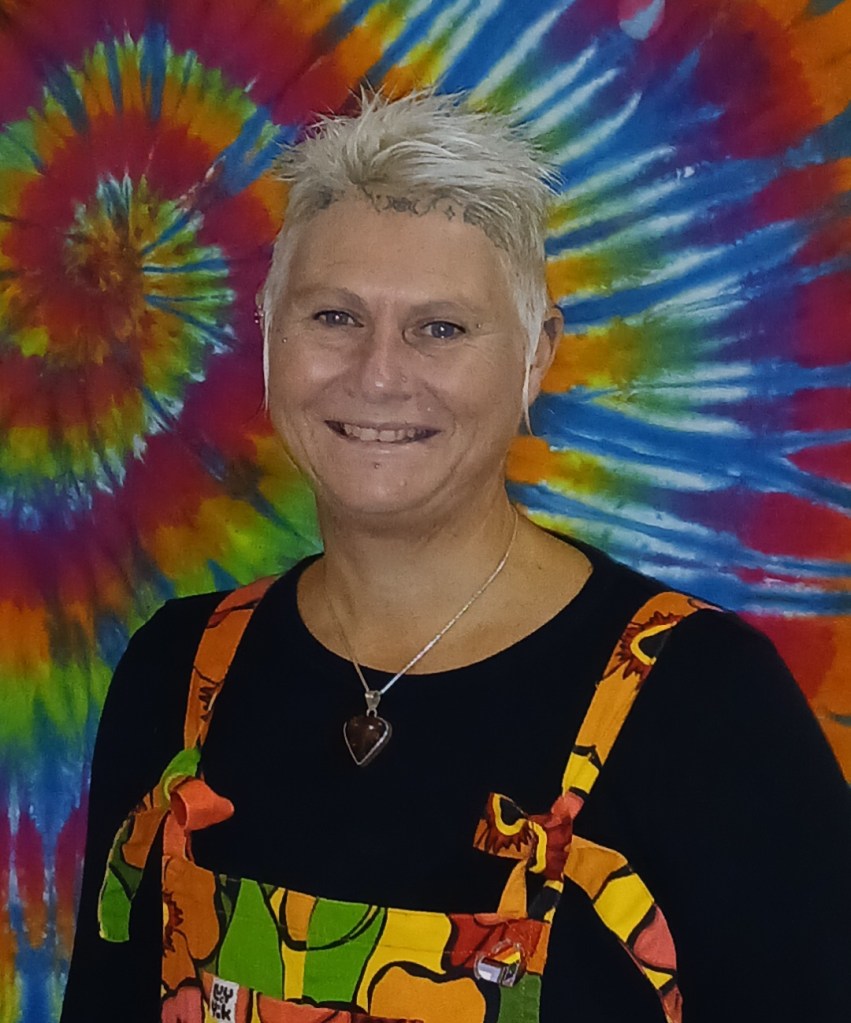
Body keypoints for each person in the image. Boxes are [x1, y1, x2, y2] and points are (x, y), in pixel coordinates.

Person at [61, 91, 851, 1023]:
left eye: (440, 327)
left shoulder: (703, 701)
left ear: (535, 355)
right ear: (270, 334)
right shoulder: (176, 673)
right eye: (334, 316)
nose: (379, 373)